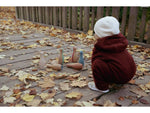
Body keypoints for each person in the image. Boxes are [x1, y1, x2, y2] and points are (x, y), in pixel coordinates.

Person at [88, 16, 136, 93]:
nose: (94, 35)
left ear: (102, 35)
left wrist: (96, 46)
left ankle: (101, 87)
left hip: (120, 77)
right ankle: (113, 77)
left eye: (96, 33)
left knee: (97, 64)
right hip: (129, 73)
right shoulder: (118, 42)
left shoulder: (102, 46)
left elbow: (95, 60)